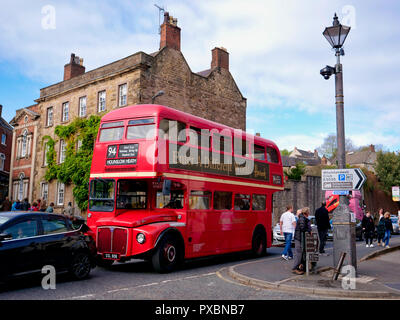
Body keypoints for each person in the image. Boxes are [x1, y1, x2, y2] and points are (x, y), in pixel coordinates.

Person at [292, 207, 312, 275]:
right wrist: (309, 230)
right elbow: (302, 228)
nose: (309, 213)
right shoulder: (302, 219)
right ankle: (295, 268)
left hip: (300, 238)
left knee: (301, 253)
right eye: (308, 212)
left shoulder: (303, 218)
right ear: (306, 213)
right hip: (299, 238)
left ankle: (300, 267)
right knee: (299, 254)